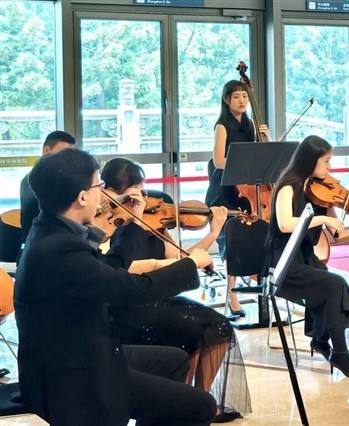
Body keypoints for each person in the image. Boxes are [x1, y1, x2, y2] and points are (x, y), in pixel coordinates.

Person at [14, 148, 216, 425]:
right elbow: (134, 289)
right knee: (201, 406)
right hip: (74, 377)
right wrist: (190, 264)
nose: (103, 194)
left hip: (83, 354)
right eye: (98, 185)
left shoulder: (51, 230)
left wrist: (132, 222)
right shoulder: (59, 250)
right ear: (83, 197)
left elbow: (112, 268)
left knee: (175, 360)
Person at [101, 158, 251, 421]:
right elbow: (124, 271)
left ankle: (200, 401)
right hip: (128, 307)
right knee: (192, 331)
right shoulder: (109, 225)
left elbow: (185, 257)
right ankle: (185, 402)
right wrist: (133, 221)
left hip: (158, 297)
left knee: (219, 326)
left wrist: (215, 230)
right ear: (109, 191)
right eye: (132, 187)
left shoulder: (150, 221)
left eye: (141, 185)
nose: (141, 194)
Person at [269, 135, 349, 377]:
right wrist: (322, 218)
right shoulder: (287, 187)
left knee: (339, 288)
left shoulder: (318, 191)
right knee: (335, 285)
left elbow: (333, 234)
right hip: (284, 264)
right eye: (326, 162)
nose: (330, 167)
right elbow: (284, 224)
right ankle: (339, 353)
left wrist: (337, 220)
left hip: (306, 260)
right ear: (310, 160)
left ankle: (322, 341)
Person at [204, 80, 270, 317]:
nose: (242, 101)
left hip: (246, 192)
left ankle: (263, 287)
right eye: (236, 97)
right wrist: (242, 164)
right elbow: (219, 161)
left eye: (244, 96)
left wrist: (266, 137)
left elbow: (261, 156)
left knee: (254, 237)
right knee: (231, 243)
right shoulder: (222, 126)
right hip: (224, 191)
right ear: (226, 100)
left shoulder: (251, 124)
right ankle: (231, 295)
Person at [19, 130, 77, 251]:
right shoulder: (39, 182)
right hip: (40, 250)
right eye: (62, 154)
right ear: (46, 150)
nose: (66, 160)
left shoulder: (37, 177)